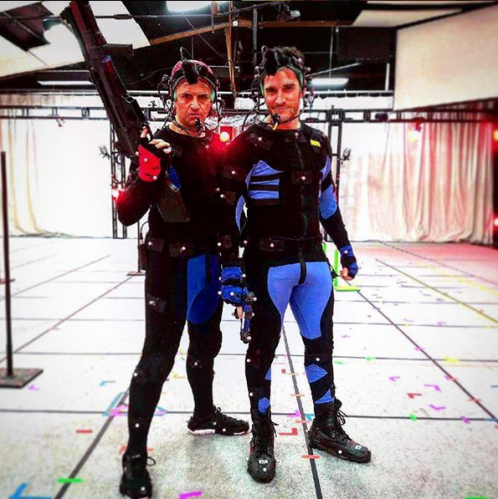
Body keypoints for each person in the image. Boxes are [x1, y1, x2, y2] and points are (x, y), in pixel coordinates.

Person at [217, 46, 371, 484]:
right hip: (266, 265)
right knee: (262, 350)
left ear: (303, 89)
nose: (279, 98)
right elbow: (227, 211)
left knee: (321, 347)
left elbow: (328, 204)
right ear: (262, 93)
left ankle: (325, 425)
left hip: (314, 264)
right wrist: (230, 268)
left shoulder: (318, 142)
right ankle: (262, 434)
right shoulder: (248, 144)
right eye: (271, 90)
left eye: (287, 88)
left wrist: (345, 248)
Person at [116, 58, 249, 499]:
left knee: (206, 346)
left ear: (213, 100)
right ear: (172, 98)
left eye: (203, 97)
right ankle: (135, 455)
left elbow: (227, 213)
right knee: (157, 359)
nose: (195, 105)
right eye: (187, 97)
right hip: (170, 268)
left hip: (209, 267)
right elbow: (127, 212)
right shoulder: (157, 144)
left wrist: (233, 263)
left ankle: (203, 414)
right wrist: (147, 174)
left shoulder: (216, 146)